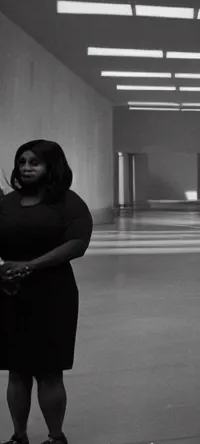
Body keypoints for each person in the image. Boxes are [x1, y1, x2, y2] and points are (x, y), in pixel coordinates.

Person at [0, 140, 93, 444]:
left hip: (54, 294)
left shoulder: (68, 202)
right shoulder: (8, 203)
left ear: (51, 167)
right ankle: (18, 436)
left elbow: (77, 244)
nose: (26, 167)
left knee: (49, 371)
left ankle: (56, 437)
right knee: (16, 370)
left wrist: (32, 265)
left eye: (34, 162)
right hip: (11, 292)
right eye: (22, 161)